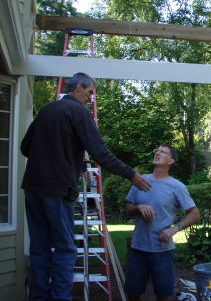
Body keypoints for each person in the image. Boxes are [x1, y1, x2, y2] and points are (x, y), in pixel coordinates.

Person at [20, 72, 151, 301]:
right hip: (57, 190)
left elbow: (25, 148)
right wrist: (130, 174)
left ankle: (39, 297)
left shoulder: (48, 109)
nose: (91, 98)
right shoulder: (78, 112)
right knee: (65, 248)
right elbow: (100, 153)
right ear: (79, 86)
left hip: (32, 187)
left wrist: (59, 156)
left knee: (39, 247)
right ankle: (61, 297)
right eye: (90, 91)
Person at [124, 144, 200, 301]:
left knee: (164, 295)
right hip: (137, 248)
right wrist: (138, 207)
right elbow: (128, 209)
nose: (157, 153)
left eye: (163, 152)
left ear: (171, 161)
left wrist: (174, 229)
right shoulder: (141, 181)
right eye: (157, 151)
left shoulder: (177, 186)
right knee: (132, 293)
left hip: (162, 250)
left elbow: (194, 214)